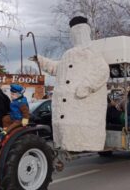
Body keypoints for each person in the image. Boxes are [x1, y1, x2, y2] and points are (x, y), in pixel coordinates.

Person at [29, 16, 109, 151]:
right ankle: (68, 144)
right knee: (68, 134)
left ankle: (80, 144)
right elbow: (58, 68)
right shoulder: (68, 54)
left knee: (80, 130)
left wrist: (85, 87)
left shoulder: (91, 52)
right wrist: (41, 61)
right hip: (66, 109)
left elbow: (102, 70)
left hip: (82, 106)